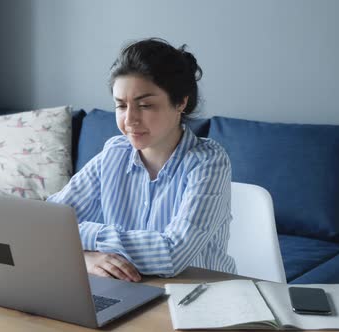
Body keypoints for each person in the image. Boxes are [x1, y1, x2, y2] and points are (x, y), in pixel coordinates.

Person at [47, 38, 236, 282]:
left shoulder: (209, 162)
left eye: (145, 105)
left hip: (198, 294)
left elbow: (172, 253)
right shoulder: (113, 153)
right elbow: (48, 223)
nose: (130, 120)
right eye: (121, 106)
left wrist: (90, 239)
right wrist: (85, 258)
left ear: (181, 102)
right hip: (130, 289)